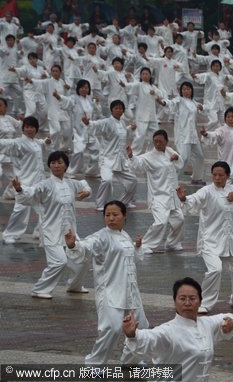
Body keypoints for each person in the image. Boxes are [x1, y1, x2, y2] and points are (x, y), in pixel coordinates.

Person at [65, 200, 148, 364]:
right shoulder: (101, 236)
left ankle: (131, 360)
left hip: (131, 292)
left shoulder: (125, 235)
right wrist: (74, 245)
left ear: (124, 216)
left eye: (115, 214)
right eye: (107, 215)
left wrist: (137, 247)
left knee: (141, 327)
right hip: (110, 291)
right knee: (112, 328)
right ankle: (94, 363)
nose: (111, 218)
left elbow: (132, 258)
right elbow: (87, 246)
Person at [122, 277, 233, 382]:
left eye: (192, 298)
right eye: (182, 298)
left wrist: (232, 322)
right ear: (175, 301)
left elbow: (231, 317)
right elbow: (150, 338)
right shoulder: (168, 331)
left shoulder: (207, 324)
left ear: (200, 301)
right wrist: (133, 335)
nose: (187, 303)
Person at [177, 161, 233, 313]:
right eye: (214, 175)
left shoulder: (232, 189)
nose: (217, 178)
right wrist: (183, 199)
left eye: (221, 175)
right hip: (209, 241)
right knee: (215, 270)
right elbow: (194, 200)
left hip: (228, 242)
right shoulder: (207, 191)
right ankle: (205, 303)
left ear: (228, 176)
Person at [13, 151, 91, 298]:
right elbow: (29, 194)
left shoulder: (71, 183)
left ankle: (74, 286)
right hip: (51, 230)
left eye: (60, 162)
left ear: (66, 165)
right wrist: (19, 189)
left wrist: (86, 192)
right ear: (49, 165)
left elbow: (85, 185)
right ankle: (40, 289)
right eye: (53, 163)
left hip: (70, 231)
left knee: (83, 257)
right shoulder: (45, 185)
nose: (56, 165)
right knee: (59, 261)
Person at [128, 130, 184, 254]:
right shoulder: (149, 157)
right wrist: (131, 157)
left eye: (160, 142)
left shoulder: (170, 151)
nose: (158, 144)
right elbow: (138, 163)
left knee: (179, 219)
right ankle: (145, 244)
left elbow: (180, 164)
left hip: (172, 195)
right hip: (158, 196)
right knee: (161, 221)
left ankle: (172, 243)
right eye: (155, 142)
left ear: (166, 142)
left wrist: (177, 158)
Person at [0, 117, 48, 244]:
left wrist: (46, 142)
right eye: (27, 127)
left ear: (36, 129)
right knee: (20, 209)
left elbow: (41, 143)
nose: (29, 129)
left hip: (39, 181)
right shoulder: (18, 143)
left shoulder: (36, 142)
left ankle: (40, 231)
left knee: (43, 208)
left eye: (32, 127)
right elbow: (5, 143)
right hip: (24, 182)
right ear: (23, 129)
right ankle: (10, 234)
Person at [83, 99, 137, 211]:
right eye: (116, 108)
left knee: (132, 180)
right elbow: (97, 125)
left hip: (120, 159)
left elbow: (123, 133)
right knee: (107, 180)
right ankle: (101, 204)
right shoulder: (107, 122)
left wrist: (130, 128)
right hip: (107, 158)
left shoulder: (122, 123)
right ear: (112, 110)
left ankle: (124, 202)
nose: (118, 110)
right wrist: (89, 123)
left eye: (121, 108)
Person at [161, 82, 207, 185]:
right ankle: (171, 179)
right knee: (184, 158)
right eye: (184, 89)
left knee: (199, 156)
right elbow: (170, 103)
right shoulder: (179, 100)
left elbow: (203, 111)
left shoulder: (194, 102)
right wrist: (164, 102)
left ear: (192, 90)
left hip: (193, 135)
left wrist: (202, 108)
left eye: (188, 89)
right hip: (183, 135)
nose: (186, 91)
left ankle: (197, 178)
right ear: (181, 91)